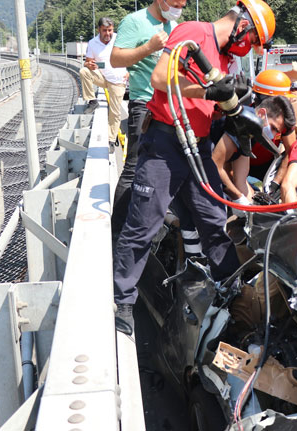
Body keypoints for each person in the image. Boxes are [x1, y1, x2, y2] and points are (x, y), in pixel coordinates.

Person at [113, 0, 276, 335]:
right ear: (241, 25)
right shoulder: (193, 33)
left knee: (214, 220)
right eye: (251, 41)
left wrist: (229, 103)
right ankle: (123, 303)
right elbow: (160, 78)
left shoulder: (225, 59)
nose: (247, 49)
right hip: (165, 143)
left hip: (197, 146)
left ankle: (232, 294)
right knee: (144, 222)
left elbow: (207, 104)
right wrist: (207, 89)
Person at [109, 0, 184, 239]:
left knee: (168, 168)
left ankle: (157, 223)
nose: (177, 8)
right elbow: (115, 59)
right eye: (174, 3)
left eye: (182, 4)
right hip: (145, 106)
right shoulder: (135, 22)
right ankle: (116, 232)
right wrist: (149, 48)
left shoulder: (174, 24)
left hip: (172, 107)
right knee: (134, 167)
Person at [212, 95, 295, 209]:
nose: (274, 135)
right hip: (190, 159)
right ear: (261, 113)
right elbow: (215, 166)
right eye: (273, 128)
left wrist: (256, 206)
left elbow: (240, 180)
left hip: (204, 165)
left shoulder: (254, 132)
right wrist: (238, 198)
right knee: (215, 216)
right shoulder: (243, 123)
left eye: (277, 132)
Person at [80, 17, 127, 146]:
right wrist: (90, 64)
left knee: (115, 112)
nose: (108, 34)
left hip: (117, 81)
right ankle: (92, 101)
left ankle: (111, 140)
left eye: (110, 30)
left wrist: (129, 72)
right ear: (99, 30)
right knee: (84, 71)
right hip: (102, 77)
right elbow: (87, 61)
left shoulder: (120, 39)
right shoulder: (93, 43)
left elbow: (131, 56)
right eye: (105, 30)